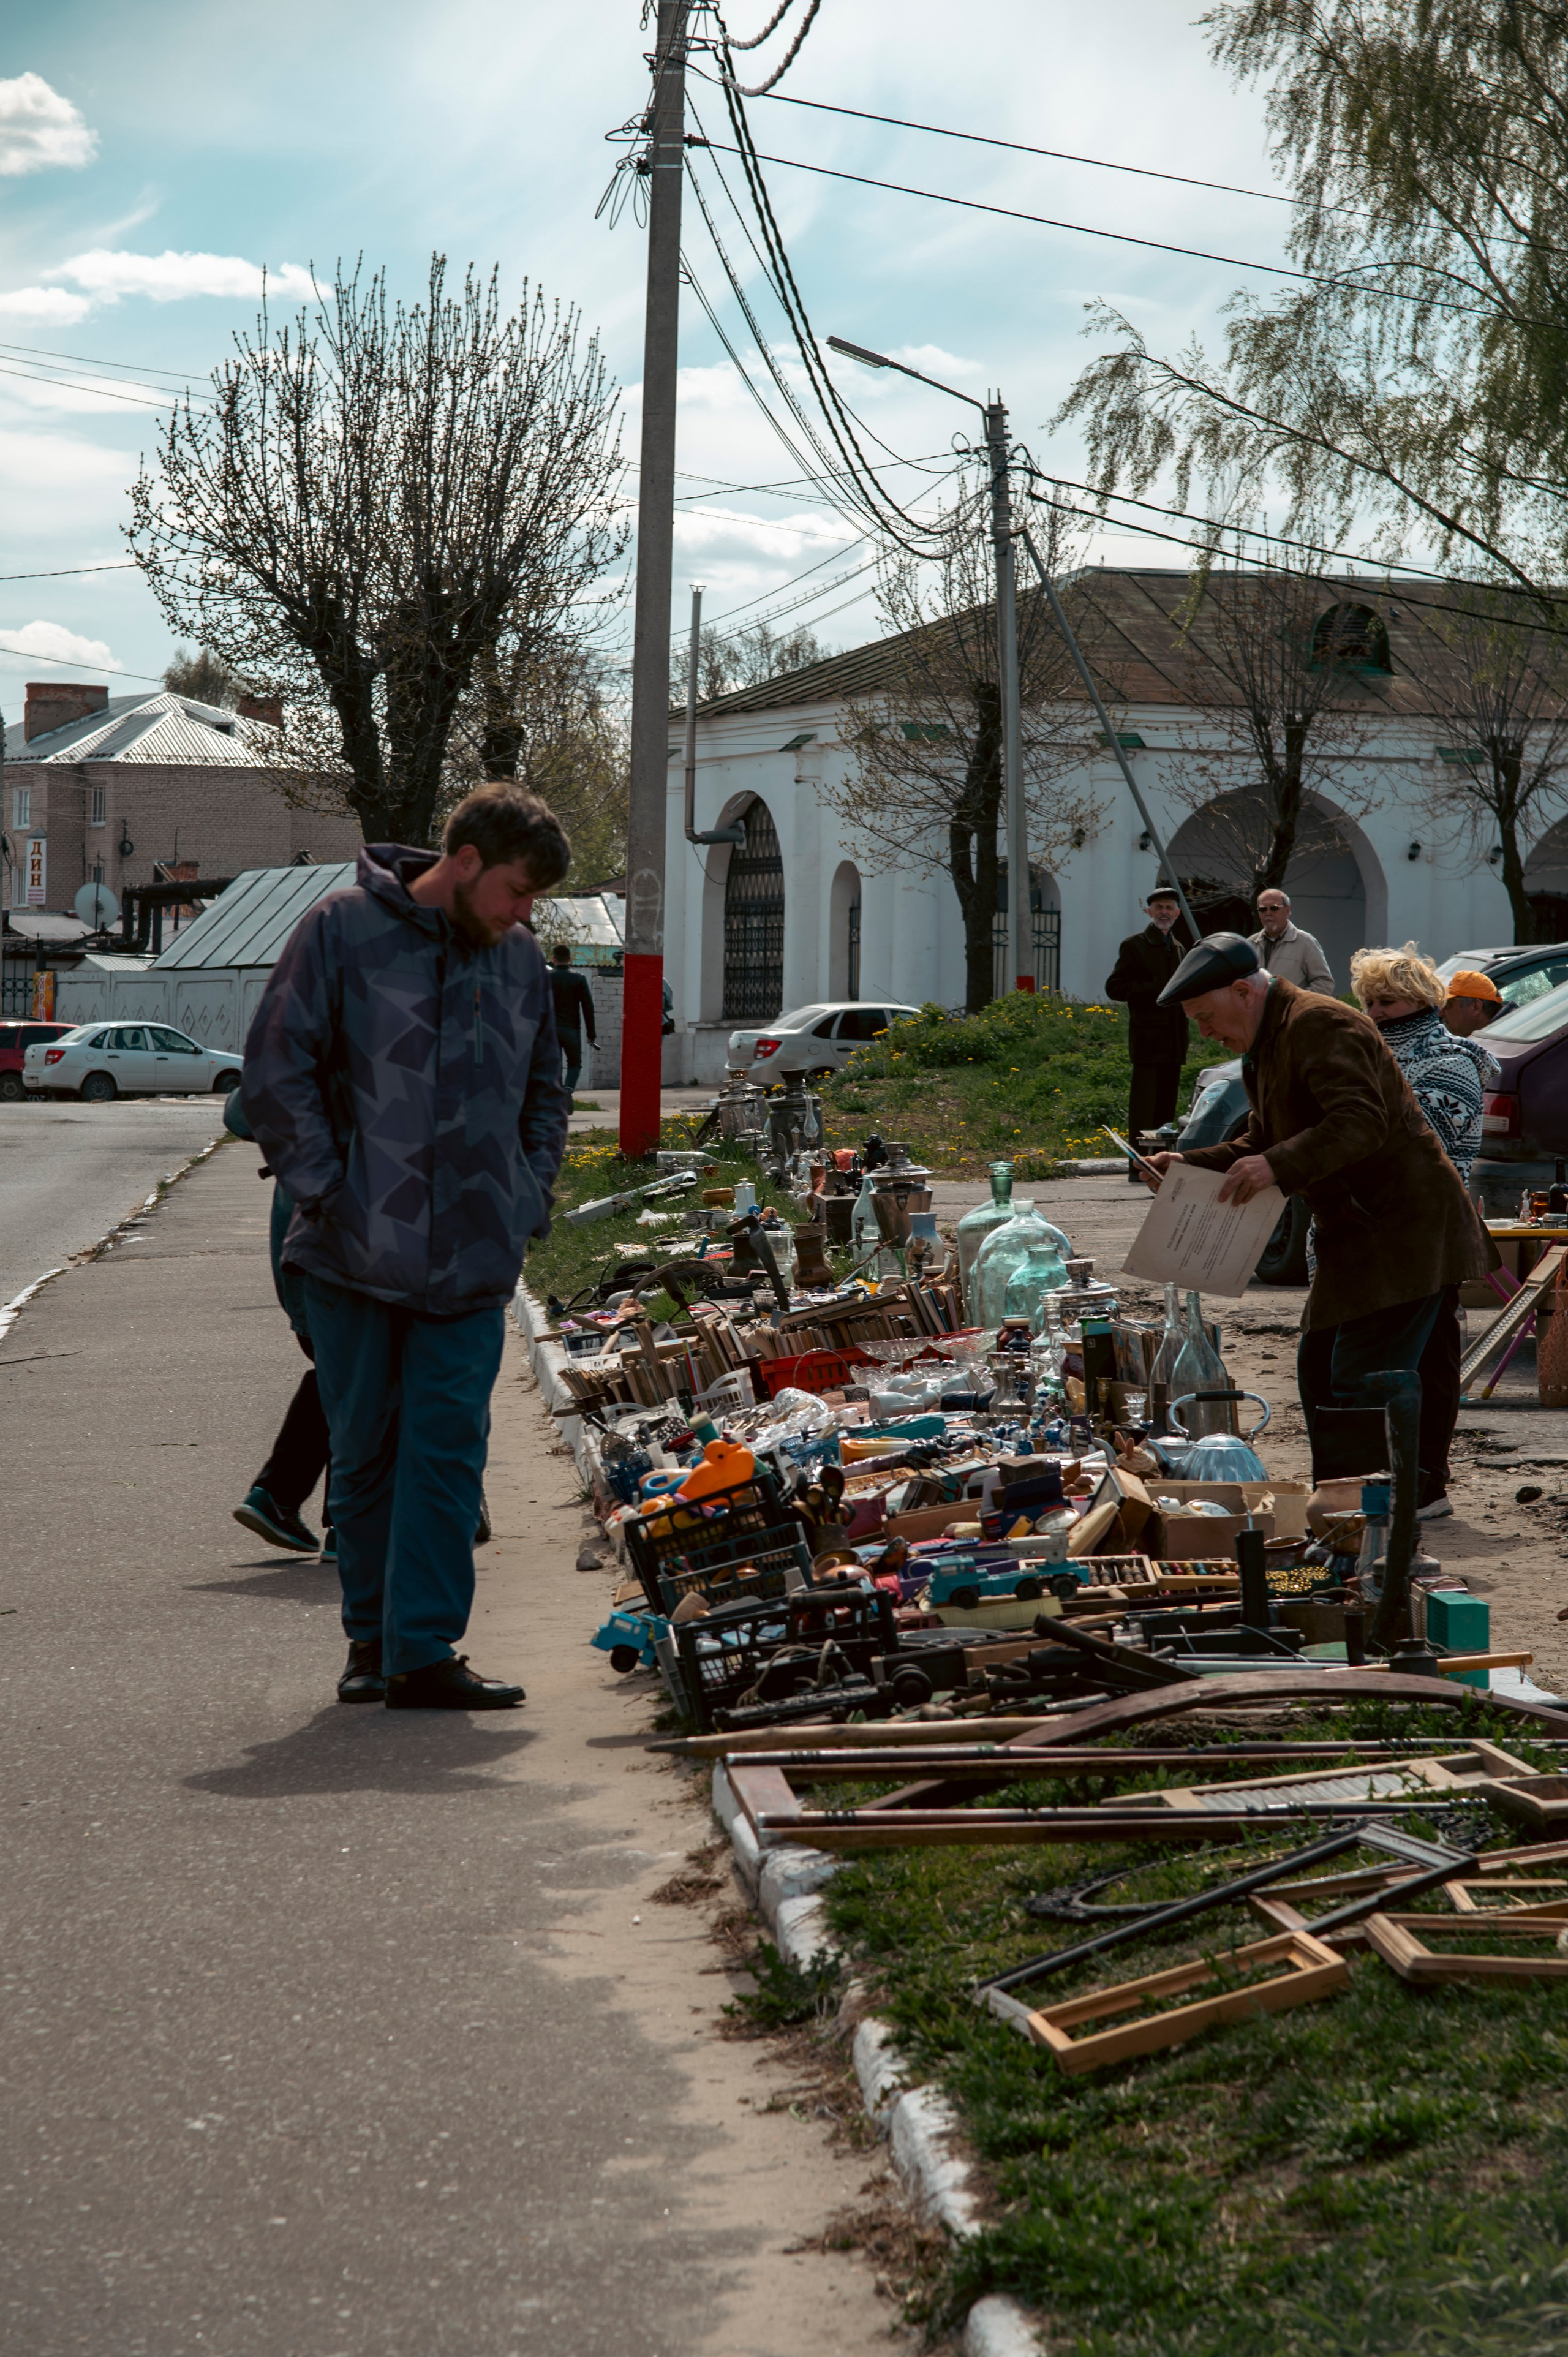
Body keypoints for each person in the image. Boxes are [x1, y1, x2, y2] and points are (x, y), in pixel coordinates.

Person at [242, 784, 571, 1710]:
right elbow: (277, 1070)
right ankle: (371, 1647)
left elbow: (547, 1089)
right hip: (354, 1254)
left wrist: (526, 1195)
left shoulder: (517, 962)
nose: (523, 912)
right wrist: (331, 1192)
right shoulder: (340, 930)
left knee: (449, 1453)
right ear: (462, 862)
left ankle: (423, 1652)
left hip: (473, 1258)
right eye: (515, 889)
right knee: (368, 1452)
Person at [1143, 933, 1493, 1489]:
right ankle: (1387, 1500)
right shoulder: (1267, 1042)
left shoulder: (1322, 1024)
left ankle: (1359, 1517)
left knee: (1355, 1379)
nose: (1205, 1032)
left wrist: (1276, 1165)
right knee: (1341, 1371)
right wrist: (1186, 1163)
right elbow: (1263, 1141)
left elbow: (1360, 1121)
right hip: (1359, 1231)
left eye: (1206, 1017)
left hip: (1404, 1229)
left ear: (1243, 991)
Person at [1349, 944, 1502, 1518]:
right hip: (1371, 1237)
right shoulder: (1372, 1054)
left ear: (1420, 1000)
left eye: (1386, 1000)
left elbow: (1409, 1154)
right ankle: (1392, 1477)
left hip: (1427, 1234)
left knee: (1428, 1360)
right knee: (1382, 1359)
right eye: (1368, 1001)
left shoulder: (1448, 1062)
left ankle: (1427, 1485)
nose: (1376, 1011)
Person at [226, 1089, 334, 1560]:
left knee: (340, 1377)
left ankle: (279, 1497)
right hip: (342, 1242)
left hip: (302, 1242)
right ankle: (349, 1525)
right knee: (367, 1378)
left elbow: (241, 1112)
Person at [1105, 886, 1191, 1182]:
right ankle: (1138, 1168)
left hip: (1174, 1040)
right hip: (1147, 1040)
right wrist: (1154, 991)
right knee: (1144, 1109)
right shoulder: (1135, 945)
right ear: (1149, 912)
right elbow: (1115, 988)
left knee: (1165, 1110)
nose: (1164, 912)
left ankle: (1157, 1166)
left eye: (1169, 908)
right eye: (1159, 908)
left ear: (1177, 913)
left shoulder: (1180, 948)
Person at [1250, 889, 1335, 992]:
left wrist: (1298, 1003)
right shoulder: (1249, 945)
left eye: (1274, 908)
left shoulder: (1306, 943)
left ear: (1287, 910)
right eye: (1263, 909)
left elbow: (1325, 983)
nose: (1268, 913)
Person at [548, 941, 597, 1096]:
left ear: (553, 959)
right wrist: (591, 1033)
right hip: (572, 1030)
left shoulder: (546, 978)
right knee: (575, 1064)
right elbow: (588, 1007)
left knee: (554, 1065)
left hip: (550, 1031)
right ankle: (568, 1090)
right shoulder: (579, 979)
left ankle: (557, 1094)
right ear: (570, 959)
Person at [1442, 968, 1504, 1038]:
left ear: (1476, 1007)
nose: (1441, 1013)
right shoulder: (1503, 1034)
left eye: (1448, 1005)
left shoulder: (1502, 1043)